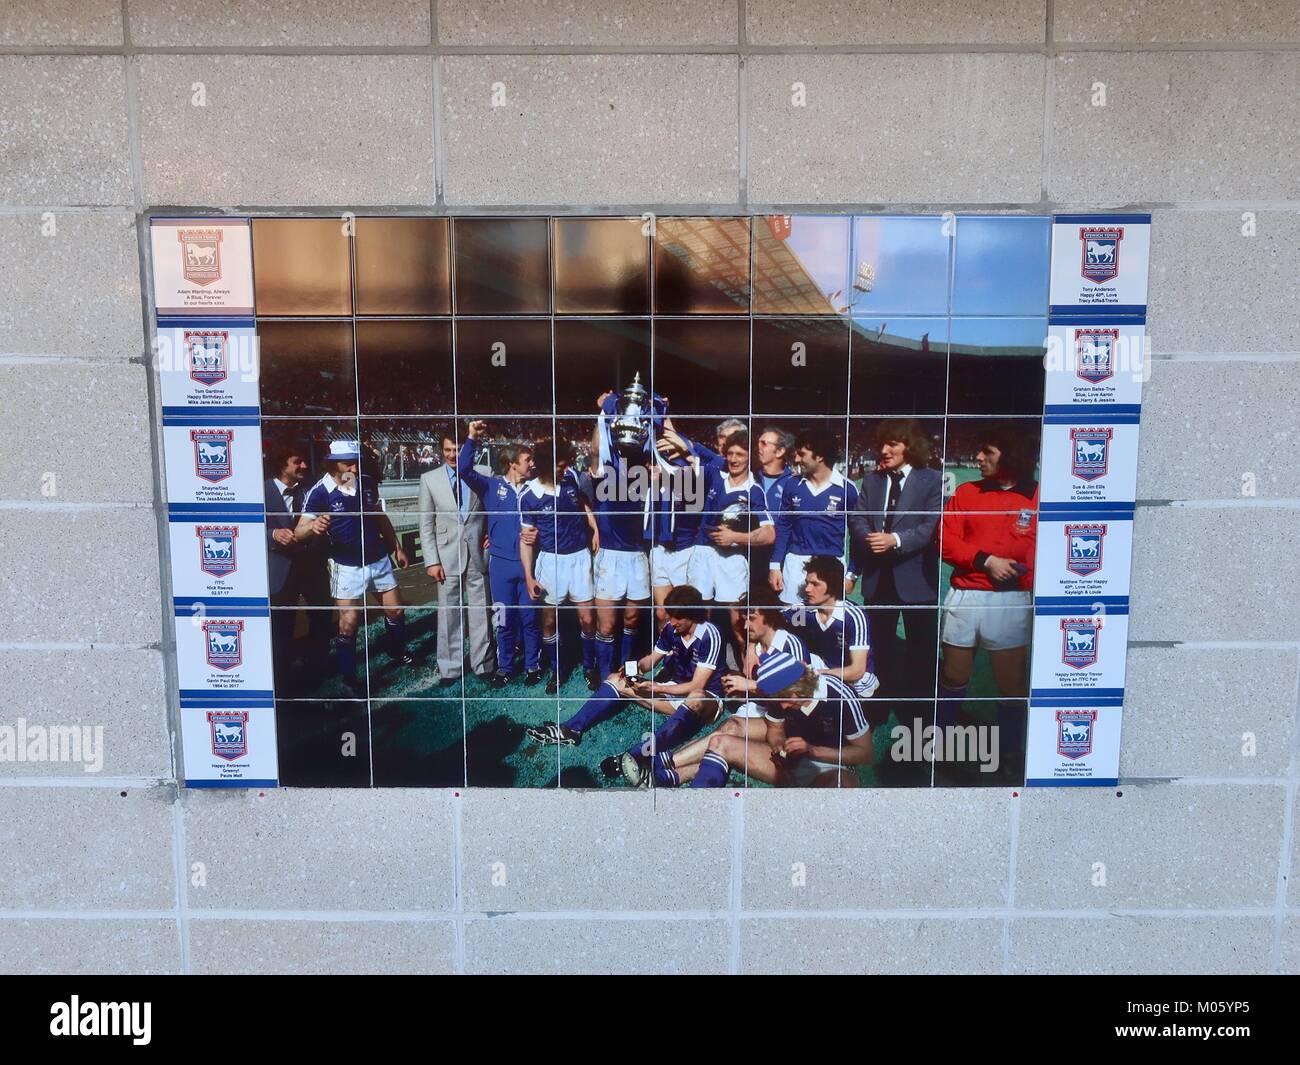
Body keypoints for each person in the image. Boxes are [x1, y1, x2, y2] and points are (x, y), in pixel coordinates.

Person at [524, 585, 725, 787]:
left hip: (705, 699)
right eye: (670, 616)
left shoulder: (710, 634)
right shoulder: (671, 630)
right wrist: (636, 667)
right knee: (615, 679)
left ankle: (637, 755)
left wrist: (658, 687)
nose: (672, 622)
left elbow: (697, 684)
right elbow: (652, 660)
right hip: (673, 692)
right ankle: (570, 729)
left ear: (693, 615)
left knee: (696, 696)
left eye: (678, 618)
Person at [936, 426, 1039, 769]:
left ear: (1010, 455)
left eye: (987, 452)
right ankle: (944, 747)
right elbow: (945, 541)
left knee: (1010, 682)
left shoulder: (1037, 496)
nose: (978, 458)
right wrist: (986, 561)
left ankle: (1009, 752)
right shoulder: (967, 492)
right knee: (953, 675)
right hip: (966, 595)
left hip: (1009, 600)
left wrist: (1021, 572)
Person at [294, 440, 413, 694]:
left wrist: (396, 547)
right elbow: (299, 530)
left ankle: (396, 649)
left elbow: (378, 516)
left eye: (356, 462)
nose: (354, 468)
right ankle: (349, 677)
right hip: (346, 566)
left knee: (396, 612)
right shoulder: (320, 491)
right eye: (348, 463)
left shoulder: (366, 482)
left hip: (378, 559)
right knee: (349, 623)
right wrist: (312, 528)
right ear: (332, 464)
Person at [848, 419, 942, 738]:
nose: (885, 451)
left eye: (894, 444)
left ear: (910, 447)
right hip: (879, 579)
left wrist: (896, 540)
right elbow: (858, 517)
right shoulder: (872, 481)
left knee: (921, 652)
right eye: (882, 445)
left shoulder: (932, 480)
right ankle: (877, 707)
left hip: (918, 581)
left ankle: (917, 715)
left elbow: (930, 527)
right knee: (880, 649)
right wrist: (869, 537)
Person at [677, 652, 872, 788]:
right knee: (720, 742)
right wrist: (779, 746)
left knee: (841, 785)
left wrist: (813, 750)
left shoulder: (839, 695)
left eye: (787, 700)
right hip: (792, 763)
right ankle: (668, 770)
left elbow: (865, 753)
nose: (784, 707)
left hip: (831, 766)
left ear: (800, 686)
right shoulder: (780, 693)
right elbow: (775, 729)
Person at [457, 420, 541, 688]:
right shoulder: (492, 486)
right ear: (513, 463)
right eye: (527, 460)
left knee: (529, 619)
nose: (532, 464)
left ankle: (532, 666)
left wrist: (537, 533)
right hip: (501, 568)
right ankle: (505, 668)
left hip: (529, 567)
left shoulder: (535, 489)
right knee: (504, 620)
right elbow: (463, 469)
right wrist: (471, 438)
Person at [518, 438, 600, 694]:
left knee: (588, 619)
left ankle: (589, 667)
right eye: (560, 466)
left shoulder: (571, 479)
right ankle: (557, 670)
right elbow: (526, 540)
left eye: (566, 465)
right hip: (551, 561)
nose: (565, 469)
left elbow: (584, 504)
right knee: (549, 622)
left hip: (579, 558)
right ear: (545, 467)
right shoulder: (529, 496)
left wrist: (594, 527)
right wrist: (529, 577)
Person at [417, 428, 496, 688]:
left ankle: (483, 664)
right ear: (442, 450)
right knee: (449, 612)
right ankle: (449, 668)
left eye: (457, 450)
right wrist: (431, 561)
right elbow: (425, 524)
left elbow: (495, 509)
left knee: (480, 610)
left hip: (478, 553)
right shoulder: (430, 479)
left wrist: (492, 535)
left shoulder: (484, 473)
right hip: (445, 555)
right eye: (448, 450)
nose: (452, 455)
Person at [588, 393, 653, 682]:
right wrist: (603, 414)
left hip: (638, 555)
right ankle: (605, 676)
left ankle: (626, 671)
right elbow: (593, 450)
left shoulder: (647, 468)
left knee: (631, 619)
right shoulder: (605, 467)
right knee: (607, 623)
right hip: (610, 555)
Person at [264, 439, 331, 694]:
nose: (304, 465)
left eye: (303, 460)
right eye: (297, 462)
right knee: (282, 627)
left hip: (311, 566)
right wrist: (272, 534)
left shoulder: (310, 489)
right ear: (283, 465)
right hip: (280, 570)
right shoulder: (262, 491)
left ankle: (316, 672)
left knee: (323, 617)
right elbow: (243, 528)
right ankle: (281, 681)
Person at [769, 428, 858, 606]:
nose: (796, 459)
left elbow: (857, 536)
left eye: (802, 454)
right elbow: (784, 527)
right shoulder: (792, 485)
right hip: (795, 567)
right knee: (797, 621)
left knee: (826, 623)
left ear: (820, 457)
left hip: (830, 566)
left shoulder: (847, 489)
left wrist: (851, 574)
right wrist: (775, 566)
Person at [789, 555, 880, 700]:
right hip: (823, 671)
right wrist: (752, 648)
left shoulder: (853, 616)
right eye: (807, 583)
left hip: (854, 681)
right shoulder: (804, 611)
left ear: (831, 585)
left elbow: (857, 671)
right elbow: (769, 621)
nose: (807, 589)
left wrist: (816, 673)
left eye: (815, 584)